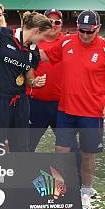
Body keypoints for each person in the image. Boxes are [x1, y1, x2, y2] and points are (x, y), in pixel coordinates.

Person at [41, 10, 105, 209]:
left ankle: (86, 191)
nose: (85, 35)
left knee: (88, 155)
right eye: (82, 31)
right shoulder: (67, 42)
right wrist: (21, 46)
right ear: (76, 27)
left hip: (92, 112)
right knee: (61, 151)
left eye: (90, 32)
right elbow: (44, 56)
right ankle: (60, 190)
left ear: (98, 29)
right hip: (66, 110)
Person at [0, 12, 51, 152]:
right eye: (43, 36)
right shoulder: (4, 34)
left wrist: (34, 82)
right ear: (37, 31)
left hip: (21, 101)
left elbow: (29, 78)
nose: (44, 40)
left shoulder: (34, 52)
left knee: (20, 146)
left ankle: (18, 173)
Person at [28, 9, 67, 151]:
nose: (53, 24)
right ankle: (23, 172)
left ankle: (70, 173)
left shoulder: (67, 41)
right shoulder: (33, 41)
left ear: (62, 25)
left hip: (61, 105)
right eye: (49, 21)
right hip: (35, 103)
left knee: (67, 147)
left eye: (57, 22)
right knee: (27, 145)